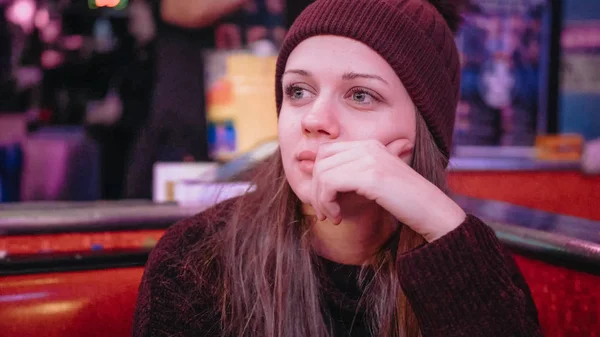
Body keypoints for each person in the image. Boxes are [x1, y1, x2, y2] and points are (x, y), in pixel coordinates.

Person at [133, 0, 543, 336]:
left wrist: (439, 221)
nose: (314, 118)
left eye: (361, 95)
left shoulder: (471, 262)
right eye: (298, 91)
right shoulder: (198, 260)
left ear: (425, 132)